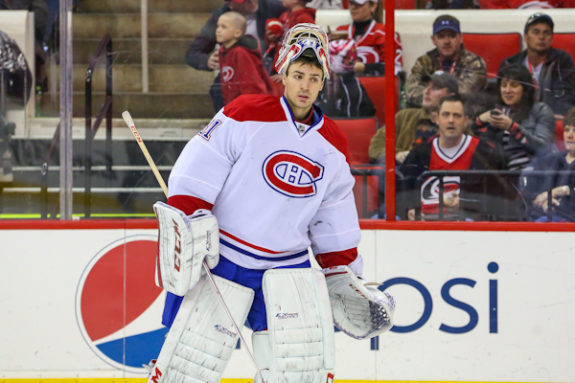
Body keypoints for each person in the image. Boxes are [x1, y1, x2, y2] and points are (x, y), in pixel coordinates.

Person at [149, 23, 394, 383]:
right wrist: (189, 220)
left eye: (314, 77)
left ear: (323, 81)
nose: (305, 85)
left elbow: (334, 213)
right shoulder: (245, 113)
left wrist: (342, 272)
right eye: (298, 75)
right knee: (186, 369)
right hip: (223, 259)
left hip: (285, 269)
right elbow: (198, 169)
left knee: (294, 375)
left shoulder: (333, 143)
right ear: (283, 73)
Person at [397, 94, 505, 221]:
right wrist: (408, 210)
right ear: (437, 119)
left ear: (466, 121)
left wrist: (466, 203)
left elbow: (500, 201)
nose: (451, 120)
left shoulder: (486, 153)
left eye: (456, 116)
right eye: (446, 114)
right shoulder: (419, 154)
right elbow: (400, 194)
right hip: (425, 229)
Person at [185, 0, 286, 111]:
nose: (251, 1)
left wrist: (286, 68)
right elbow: (193, 53)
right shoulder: (222, 17)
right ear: (230, 4)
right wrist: (206, 60)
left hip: (271, 67)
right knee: (218, 90)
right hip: (234, 68)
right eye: (244, 1)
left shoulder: (275, 7)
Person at [473, 64, 555, 171]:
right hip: (502, 174)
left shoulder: (540, 110)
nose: (507, 90)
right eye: (504, 85)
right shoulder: (498, 112)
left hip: (533, 171)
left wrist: (512, 127)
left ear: (525, 89)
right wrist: (479, 121)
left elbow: (544, 148)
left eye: (514, 85)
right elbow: (479, 146)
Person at [368, 72, 459, 164]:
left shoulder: (459, 123)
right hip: (401, 172)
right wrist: (397, 154)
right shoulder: (403, 116)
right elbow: (376, 146)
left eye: (435, 88)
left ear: (450, 96)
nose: (426, 91)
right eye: (426, 86)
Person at [499, 13, 575, 118]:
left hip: (551, 117)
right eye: (536, 32)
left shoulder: (561, 60)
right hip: (519, 119)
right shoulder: (510, 63)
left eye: (546, 33)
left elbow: (564, 95)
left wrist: (552, 118)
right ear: (526, 37)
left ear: (552, 38)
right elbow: (502, 98)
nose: (541, 37)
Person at [405, 14, 487, 107]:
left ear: (460, 38)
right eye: (441, 36)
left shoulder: (474, 62)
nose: (446, 41)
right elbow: (411, 91)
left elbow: (466, 92)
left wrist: (432, 97)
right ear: (434, 40)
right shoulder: (424, 62)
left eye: (452, 36)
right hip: (429, 113)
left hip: (463, 114)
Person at [523, 106, 575, 221]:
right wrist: (543, 202)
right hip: (545, 222)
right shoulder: (549, 160)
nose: (569, 135)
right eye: (567, 130)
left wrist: (560, 191)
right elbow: (530, 194)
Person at [216, 12, 280, 105]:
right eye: (218, 26)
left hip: (251, 107)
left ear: (237, 33)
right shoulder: (223, 51)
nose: (218, 30)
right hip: (235, 107)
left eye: (224, 27)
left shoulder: (241, 53)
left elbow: (252, 87)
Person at [330, 0, 403, 77]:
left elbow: (395, 70)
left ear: (373, 6)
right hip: (342, 86)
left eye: (358, 4)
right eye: (351, 3)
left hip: (375, 86)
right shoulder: (340, 31)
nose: (353, 8)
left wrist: (364, 67)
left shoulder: (385, 33)